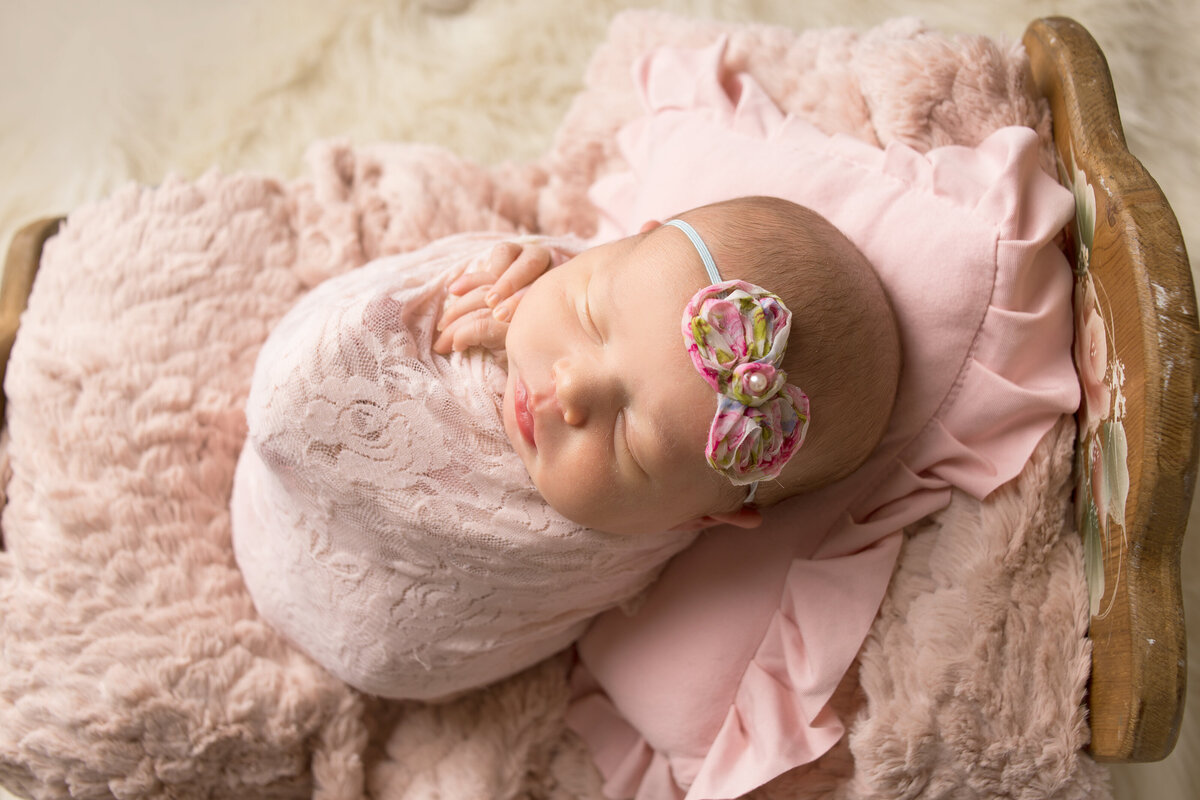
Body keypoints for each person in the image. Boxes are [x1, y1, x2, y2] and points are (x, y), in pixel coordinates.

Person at [230, 195, 901, 700]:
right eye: (589, 313)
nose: (570, 386)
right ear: (617, 245)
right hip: (276, 505)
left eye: (631, 438)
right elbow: (298, 398)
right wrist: (509, 267)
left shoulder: (600, 544)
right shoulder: (557, 274)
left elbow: (303, 415)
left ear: (703, 518)